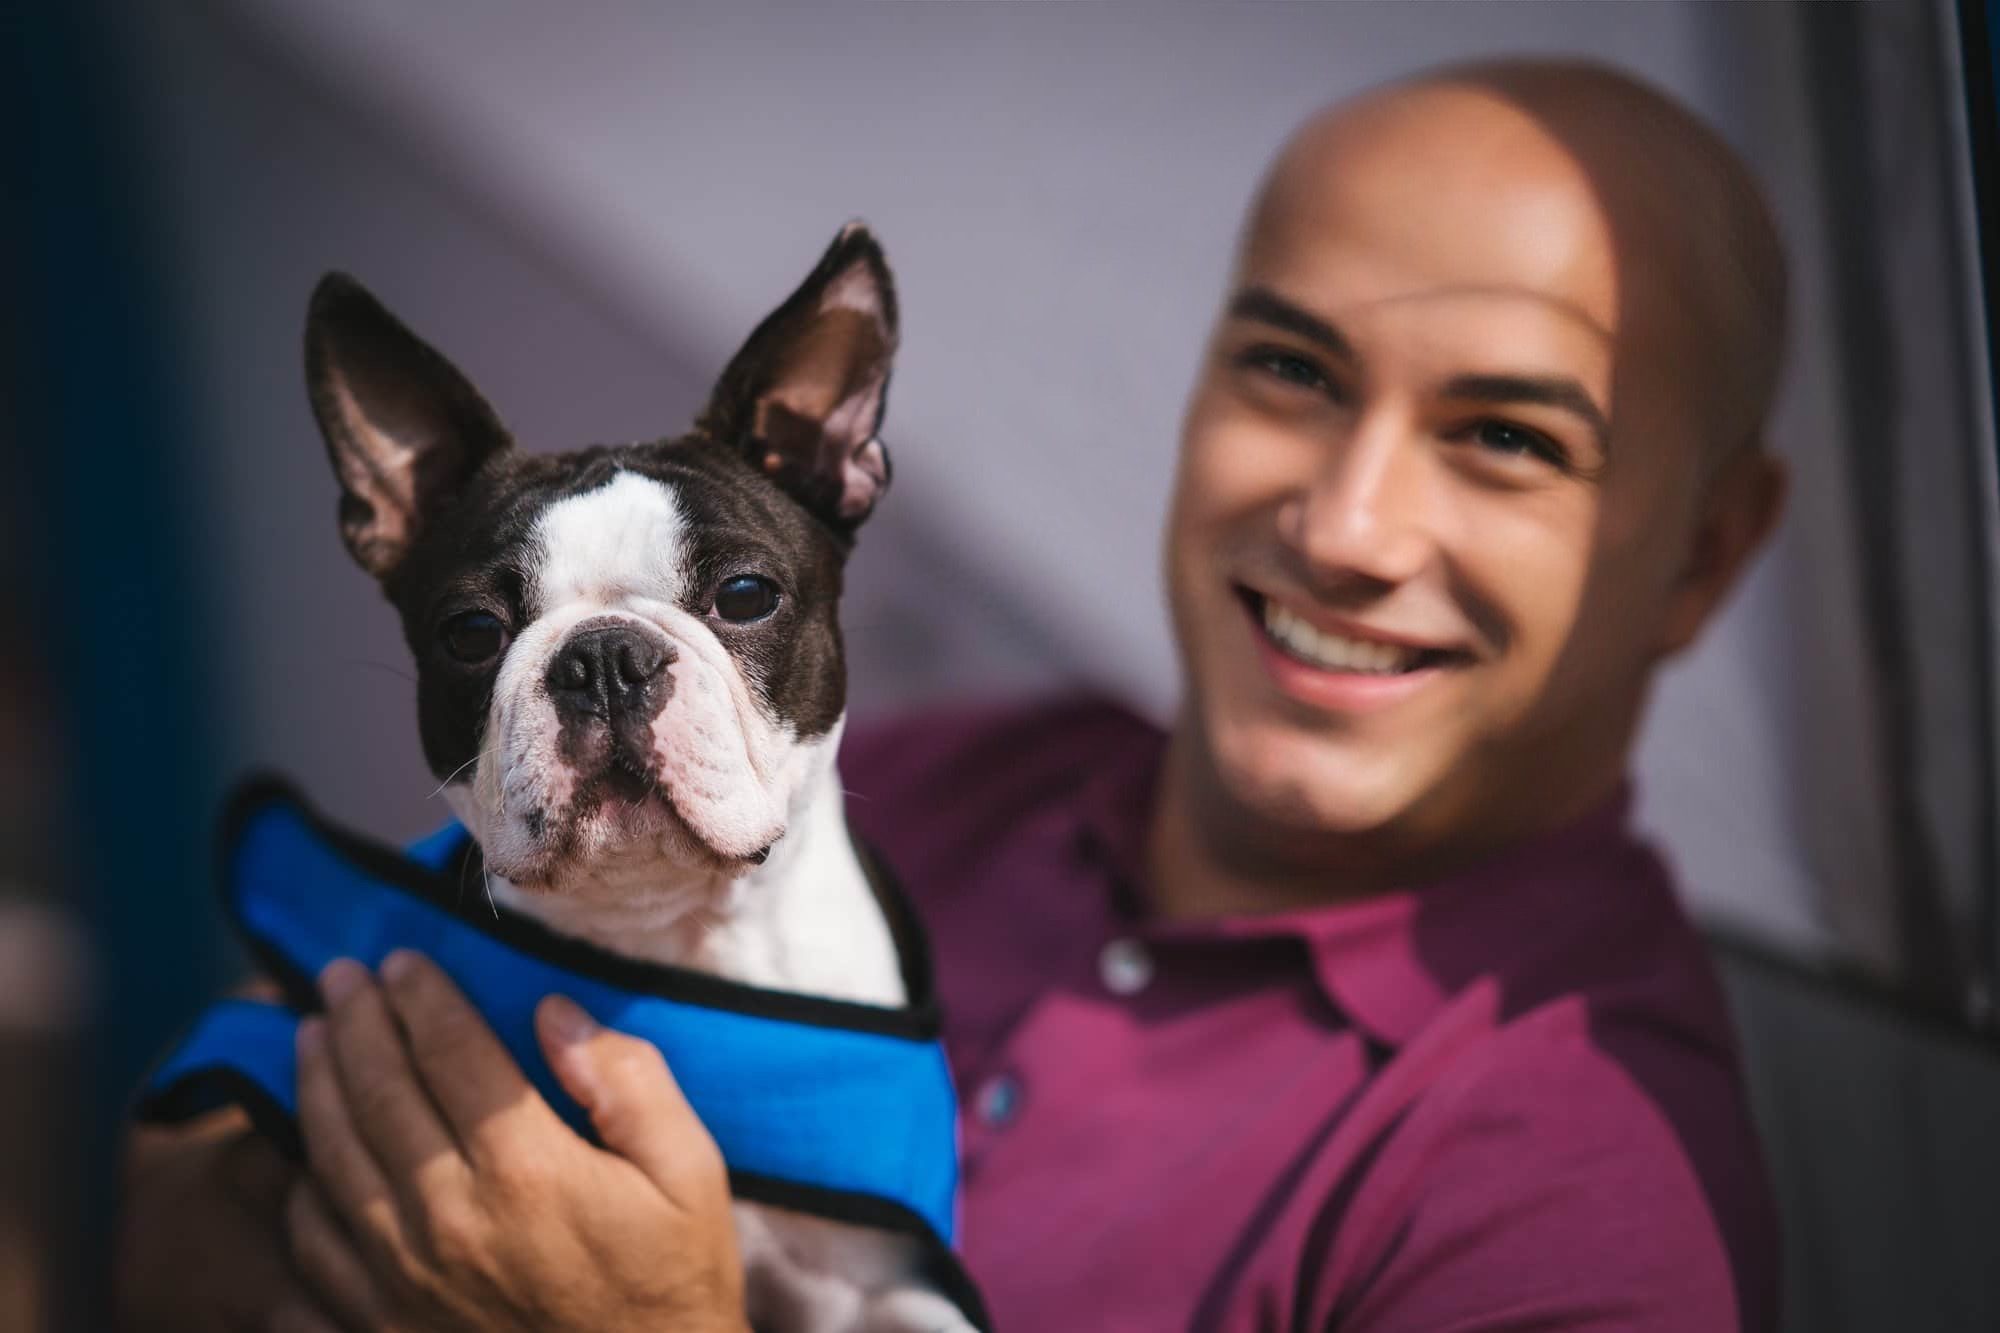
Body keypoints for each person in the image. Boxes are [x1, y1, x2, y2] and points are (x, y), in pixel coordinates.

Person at [116, 56, 1788, 1332]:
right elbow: (168, 1196)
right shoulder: (927, 781)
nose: (1348, 525)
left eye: (1507, 435)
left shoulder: (1579, 1199)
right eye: (1292, 367)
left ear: (1708, 553)